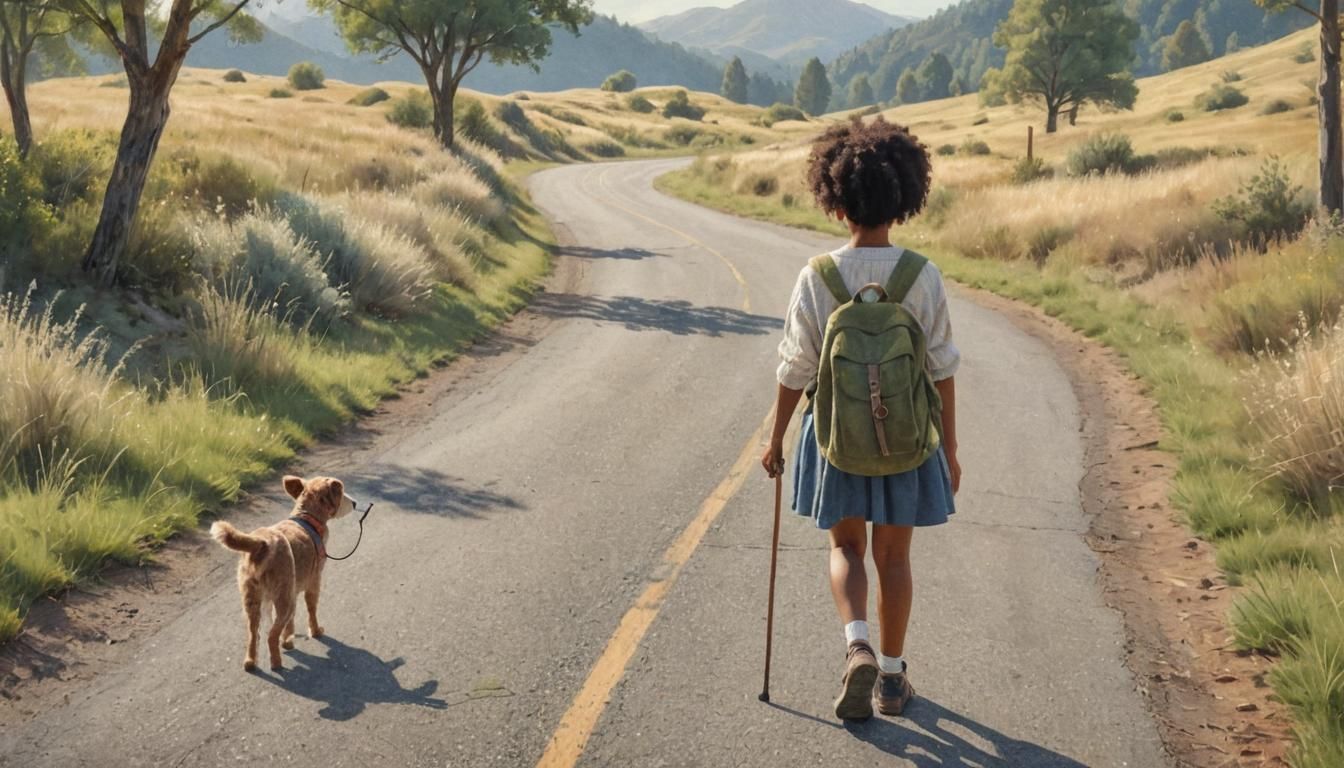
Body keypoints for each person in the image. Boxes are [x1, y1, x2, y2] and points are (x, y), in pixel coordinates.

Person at [761, 117, 960, 722]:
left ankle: (856, 646)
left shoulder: (817, 276)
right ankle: (894, 682)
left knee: (846, 546)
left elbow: (796, 368)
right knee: (893, 558)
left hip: (837, 439)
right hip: (906, 440)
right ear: (902, 197)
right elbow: (942, 366)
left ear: (836, 201)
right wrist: (949, 448)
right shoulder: (921, 275)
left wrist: (775, 441)